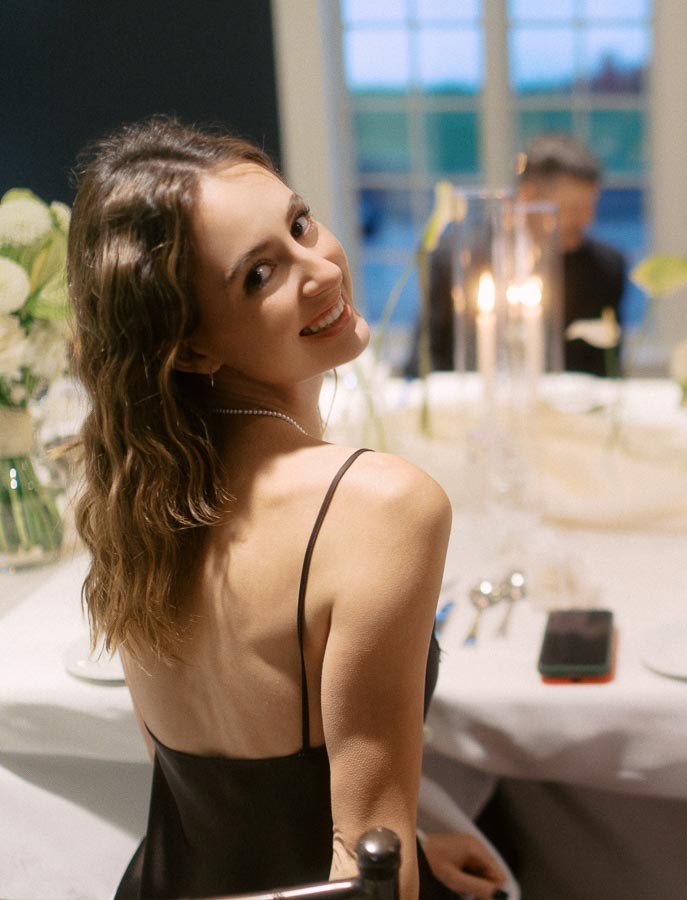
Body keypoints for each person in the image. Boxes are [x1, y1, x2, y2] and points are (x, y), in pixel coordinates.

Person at [67, 117, 508, 900]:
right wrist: (393, 854)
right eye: (260, 274)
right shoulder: (382, 507)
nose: (323, 269)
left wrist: (410, 844)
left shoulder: (137, 489)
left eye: (300, 224)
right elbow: (364, 862)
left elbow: (213, 804)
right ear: (192, 347)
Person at [411, 133, 627, 378]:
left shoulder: (605, 268)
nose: (586, 220)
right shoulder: (456, 259)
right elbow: (424, 361)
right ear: (528, 196)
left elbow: (606, 373)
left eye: (590, 207)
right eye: (574, 209)